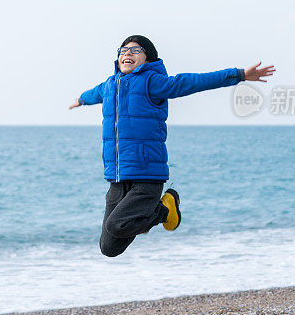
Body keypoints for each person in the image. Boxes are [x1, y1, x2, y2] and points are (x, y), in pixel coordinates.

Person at [69, 35, 275, 257]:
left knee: (115, 226)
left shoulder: (153, 83)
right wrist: (81, 99)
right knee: (109, 248)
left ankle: (164, 209)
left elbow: (195, 81)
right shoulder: (108, 86)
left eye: (135, 50)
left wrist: (240, 75)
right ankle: (152, 214)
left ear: (147, 59)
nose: (127, 53)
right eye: (123, 50)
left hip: (145, 178)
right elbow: (93, 94)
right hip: (117, 179)